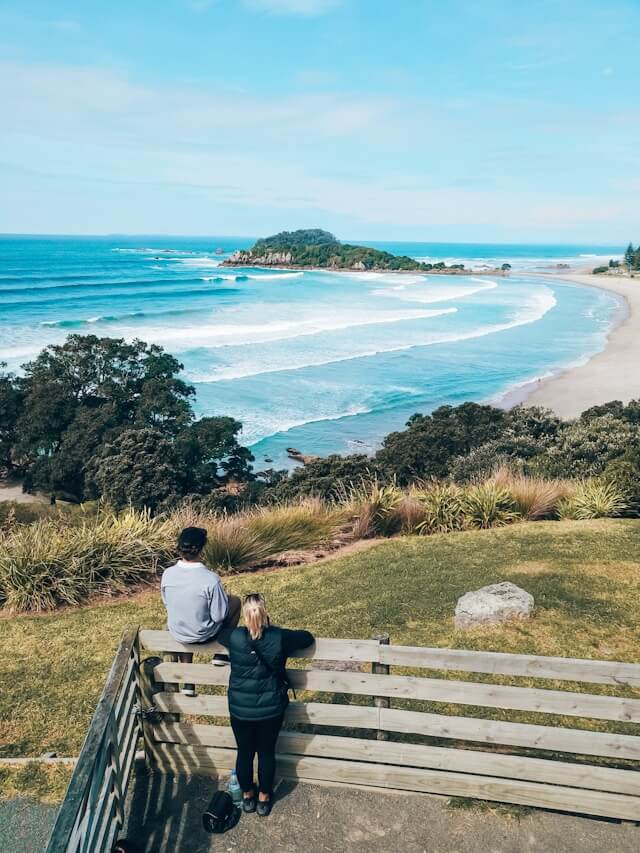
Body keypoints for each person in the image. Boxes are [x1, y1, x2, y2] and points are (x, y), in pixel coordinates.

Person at [218, 593, 314, 817]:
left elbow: (219, 633)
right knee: (266, 752)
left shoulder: (234, 637)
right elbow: (307, 638)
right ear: (265, 613)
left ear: (244, 615)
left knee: (244, 753)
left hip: (240, 709)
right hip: (270, 709)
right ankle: (264, 798)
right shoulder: (279, 637)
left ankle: (247, 796)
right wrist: (270, 627)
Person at [161, 526, 241, 695]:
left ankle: (188, 683)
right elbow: (219, 616)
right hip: (203, 634)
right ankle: (221, 652)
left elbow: (167, 603)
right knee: (234, 602)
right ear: (202, 549)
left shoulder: (167, 574)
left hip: (179, 632)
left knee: (187, 615)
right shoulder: (210, 579)